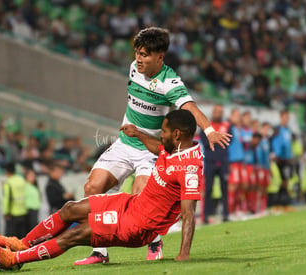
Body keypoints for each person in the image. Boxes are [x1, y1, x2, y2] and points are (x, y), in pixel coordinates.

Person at [75, 27, 230, 265]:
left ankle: (155, 239)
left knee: (141, 199)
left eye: (145, 55)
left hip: (150, 150)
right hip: (125, 143)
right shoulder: (133, 68)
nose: (139, 59)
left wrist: (209, 131)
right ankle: (100, 253)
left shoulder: (170, 82)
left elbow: (189, 106)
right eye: (137, 53)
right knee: (92, 187)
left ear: (160, 57)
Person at [0, 109, 203, 270]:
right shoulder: (172, 147)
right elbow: (157, 147)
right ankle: (22, 244)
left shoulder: (189, 168)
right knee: (70, 209)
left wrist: (184, 254)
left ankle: (15, 260)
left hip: (137, 225)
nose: (161, 136)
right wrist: (137, 133)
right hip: (130, 205)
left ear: (176, 134)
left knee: (77, 234)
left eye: (164, 132)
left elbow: (189, 213)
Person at [200, 104, 230, 224]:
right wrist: (219, 140)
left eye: (220, 111)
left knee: (224, 188)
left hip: (223, 161)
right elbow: (205, 141)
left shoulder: (227, 125)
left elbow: (229, 140)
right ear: (213, 112)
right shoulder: (207, 126)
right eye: (217, 111)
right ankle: (206, 215)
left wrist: (215, 140)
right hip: (210, 160)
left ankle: (225, 214)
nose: (219, 114)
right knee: (208, 189)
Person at [3, 162, 28, 238]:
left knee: (11, 238)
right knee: (21, 237)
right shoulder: (22, 180)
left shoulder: (8, 182)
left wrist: (6, 212)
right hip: (23, 212)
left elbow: (7, 199)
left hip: (12, 213)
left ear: (6, 171)